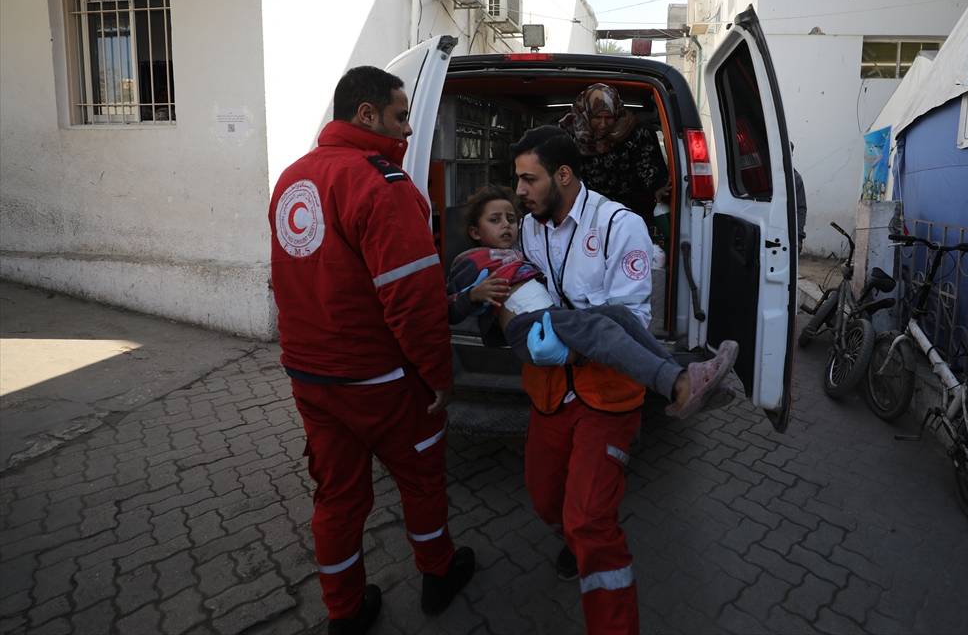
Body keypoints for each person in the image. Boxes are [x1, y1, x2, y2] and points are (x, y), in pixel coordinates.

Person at [269, 66, 474, 635]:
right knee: (421, 480)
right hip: (379, 380)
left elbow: (284, 280)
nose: (408, 130)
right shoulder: (381, 185)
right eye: (401, 116)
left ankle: (345, 611)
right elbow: (412, 296)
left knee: (336, 495)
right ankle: (438, 574)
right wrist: (438, 375)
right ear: (366, 115)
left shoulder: (292, 179)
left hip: (311, 379)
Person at [509, 125, 668, 635]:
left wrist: (568, 337)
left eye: (528, 179)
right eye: (517, 180)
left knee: (590, 522)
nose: (520, 192)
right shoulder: (532, 226)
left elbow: (632, 321)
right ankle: (571, 538)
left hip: (607, 392)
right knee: (543, 496)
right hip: (552, 388)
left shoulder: (621, 225)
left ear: (563, 175)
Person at [445, 185, 737, 418]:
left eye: (511, 219)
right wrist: (473, 295)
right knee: (598, 327)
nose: (506, 226)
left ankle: (685, 376)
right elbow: (449, 310)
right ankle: (678, 386)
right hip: (528, 328)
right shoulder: (471, 261)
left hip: (548, 317)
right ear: (474, 231)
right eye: (494, 220)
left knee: (619, 315)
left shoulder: (518, 250)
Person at [560, 83, 669, 223]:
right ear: (586, 114)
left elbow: (649, 171)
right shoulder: (568, 135)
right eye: (597, 118)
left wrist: (657, 189)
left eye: (609, 117)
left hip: (627, 214)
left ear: (617, 113)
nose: (603, 124)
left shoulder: (636, 133)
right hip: (582, 214)